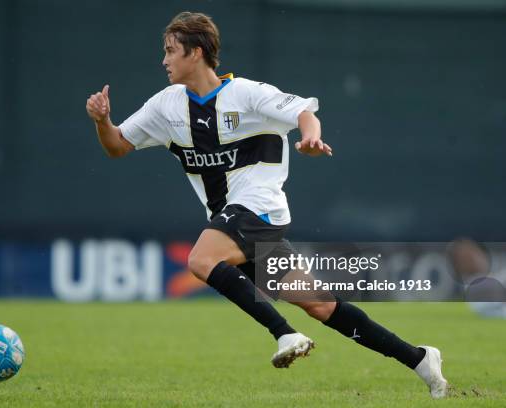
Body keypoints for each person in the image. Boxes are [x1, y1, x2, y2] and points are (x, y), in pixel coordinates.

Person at [86, 11, 447, 398]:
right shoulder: (166, 106)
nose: (164, 60)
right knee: (320, 305)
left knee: (200, 260)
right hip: (234, 223)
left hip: (260, 209)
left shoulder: (246, 93)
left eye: (171, 51)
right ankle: (420, 358)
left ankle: (285, 333)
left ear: (197, 52)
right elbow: (118, 146)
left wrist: (310, 138)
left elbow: (304, 113)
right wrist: (103, 121)